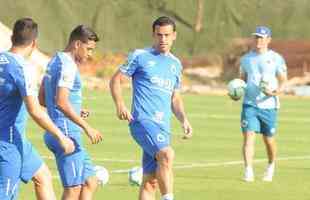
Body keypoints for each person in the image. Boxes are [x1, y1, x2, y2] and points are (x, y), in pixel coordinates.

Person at [110, 16, 193, 200]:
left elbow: (175, 98)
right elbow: (116, 79)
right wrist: (120, 104)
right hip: (142, 121)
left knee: (151, 181)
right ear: (153, 35)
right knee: (167, 154)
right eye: (159, 35)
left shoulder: (175, 64)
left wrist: (183, 119)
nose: (162, 39)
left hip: (162, 126)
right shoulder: (140, 56)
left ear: (174, 36)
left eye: (166, 35)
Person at [0, 18, 75, 200]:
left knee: (42, 176)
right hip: (7, 143)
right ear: (34, 43)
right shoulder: (23, 69)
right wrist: (61, 136)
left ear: (12, 37)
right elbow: (35, 111)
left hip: (18, 139)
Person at [38, 25, 103, 200]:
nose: (90, 54)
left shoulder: (54, 61)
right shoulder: (68, 66)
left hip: (59, 127)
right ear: (76, 44)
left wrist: (74, 110)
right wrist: (87, 127)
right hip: (66, 133)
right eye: (88, 49)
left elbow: (43, 99)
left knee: (90, 181)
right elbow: (60, 102)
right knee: (73, 189)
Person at [237, 26, 287, 182]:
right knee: (249, 137)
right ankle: (248, 171)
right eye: (256, 37)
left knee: (269, 140)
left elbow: (283, 80)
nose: (258, 40)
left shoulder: (276, 58)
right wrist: (235, 92)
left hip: (269, 105)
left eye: (262, 37)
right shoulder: (246, 59)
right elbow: (241, 81)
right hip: (249, 104)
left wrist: (275, 92)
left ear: (268, 40)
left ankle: (271, 166)